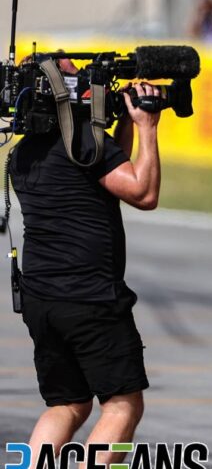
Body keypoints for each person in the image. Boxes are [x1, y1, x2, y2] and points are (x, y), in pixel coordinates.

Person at [12, 68, 164, 467]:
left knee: (68, 405)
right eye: (75, 75)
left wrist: (123, 126)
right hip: (90, 299)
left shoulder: (24, 151)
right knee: (122, 406)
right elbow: (142, 192)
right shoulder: (80, 139)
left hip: (42, 300)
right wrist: (147, 126)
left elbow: (105, 171)